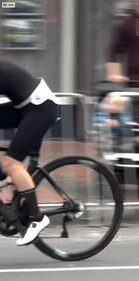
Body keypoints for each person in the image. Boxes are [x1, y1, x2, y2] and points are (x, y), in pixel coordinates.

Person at [0, 60, 59, 245]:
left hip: (41, 108)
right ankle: (5, 180)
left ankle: (37, 218)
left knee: (11, 164)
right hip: (26, 107)